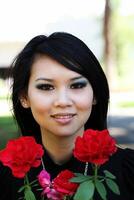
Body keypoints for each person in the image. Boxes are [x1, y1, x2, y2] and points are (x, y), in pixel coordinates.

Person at [0, 32, 134, 200]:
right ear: (24, 98)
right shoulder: (4, 178)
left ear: (95, 95)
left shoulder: (128, 171)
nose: (62, 101)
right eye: (46, 87)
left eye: (77, 85)